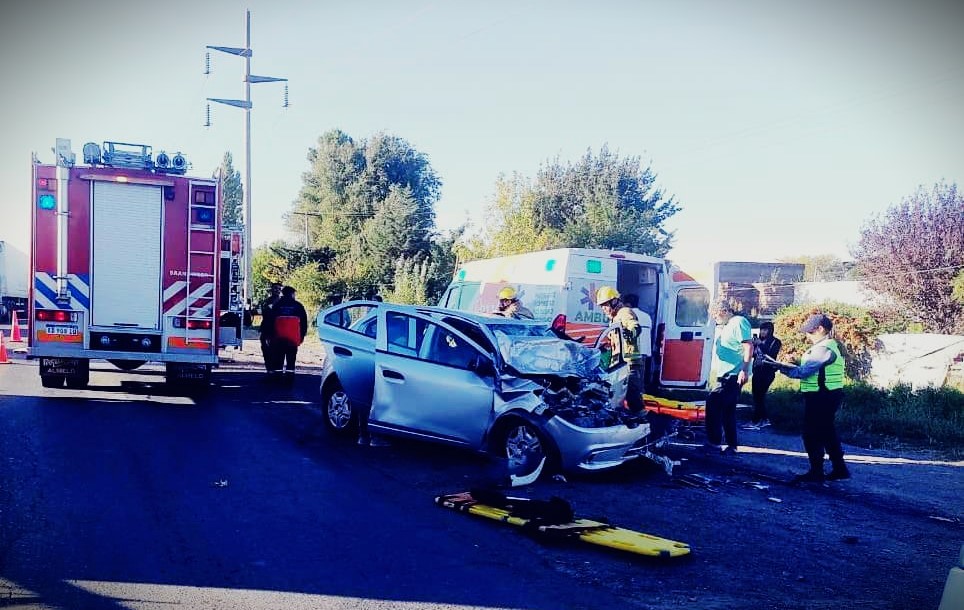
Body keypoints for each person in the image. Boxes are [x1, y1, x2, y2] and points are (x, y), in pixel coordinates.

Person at [766, 313, 849, 483]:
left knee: (811, 434)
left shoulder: (823, 349)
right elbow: (810, 369)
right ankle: (839, 469)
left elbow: (804, 372)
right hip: (827, 394)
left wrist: (780, 367)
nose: (807, 335)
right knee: (827, 432)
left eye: (810, 332)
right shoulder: (830, 346)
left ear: (820, 329)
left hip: (821, 396)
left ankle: (816, 472)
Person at [705, 299, 753, 456]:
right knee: (727, 411)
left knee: (713, 404)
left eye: (716, 316)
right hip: (726, 373)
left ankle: (714, 443)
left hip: (733, 374)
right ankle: (731, 445)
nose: (715, 319)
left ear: (724, 311)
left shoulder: (738, 322)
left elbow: (748, 346)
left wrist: (744, 370)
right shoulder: (726, 326)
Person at [596, 286, 645, 414]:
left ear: (614, 301)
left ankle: (643, 424)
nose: (603, 309)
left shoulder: (624, 312)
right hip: (619, 364)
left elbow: (635, 327)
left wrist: (631, 332)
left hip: (630, 362)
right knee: (616, 396)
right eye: (601, 306)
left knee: (633, 397)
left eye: (605, 305)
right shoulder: (614, 318)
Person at [264, 286, 308, 385]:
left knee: (278, 359)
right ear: (292, 294)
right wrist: (302, 336)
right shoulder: (298, 306)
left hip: (278, 338)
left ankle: (277, 378)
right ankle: (289, 379)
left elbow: (270, 322)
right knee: (291, 359)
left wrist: (269, 336)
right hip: (293, 339)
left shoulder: (277, 305)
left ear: (283, 294)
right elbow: (304, 323)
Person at [745, 321, 782, 429]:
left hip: (768, 372)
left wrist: (761, 344)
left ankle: (756, 420)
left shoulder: (775, 342)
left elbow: (771, 354)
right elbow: (753, 355)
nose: (763, 332)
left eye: (765, 330)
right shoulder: (758, 341)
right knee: (757, 396)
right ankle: (764, 419)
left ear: (770, 331)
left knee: (759, 396)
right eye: (761, 329)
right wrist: (752, 346)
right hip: (757, 371)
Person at [259, 283, 283, 377]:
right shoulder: (267, 301)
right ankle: (270, 370)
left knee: (278, 351)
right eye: (275, 288)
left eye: (278, 289)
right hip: (267, 328)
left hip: (279, 329)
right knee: (266, 349)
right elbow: (265, 313)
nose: (277, 290)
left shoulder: (282, 302)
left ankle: (277, 370)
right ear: (271, 289)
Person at [621, 293, 653, 361]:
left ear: (628, 305)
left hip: (632, 352)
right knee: (640, 371)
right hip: (645, 351)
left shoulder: (626, 315)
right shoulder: (647, 316)